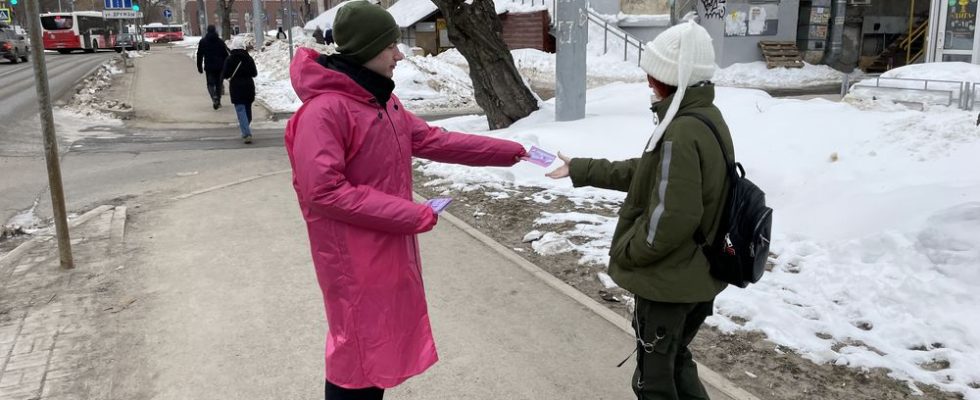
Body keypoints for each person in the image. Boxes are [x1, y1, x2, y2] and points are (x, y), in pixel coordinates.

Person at [283, 2, 528, 399]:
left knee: (378, 348)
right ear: (365, 50)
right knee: (356, 353)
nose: (399, 55)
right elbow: (323, 192)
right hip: (352, 257)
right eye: (390, 46)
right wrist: (412, 214)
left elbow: (432, 140)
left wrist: (510, 151)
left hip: (387, 245)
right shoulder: (324, 112)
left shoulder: (381, 100)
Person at [547, 20, 731, 400]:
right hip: (695, 276)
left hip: (669, 284)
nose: (648, 82)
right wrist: (582, 168)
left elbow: (674, 217)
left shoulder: (680, 132)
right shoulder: (704, 119)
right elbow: (646, 173)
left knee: (653, 382)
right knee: (676, 360)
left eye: (654, 75)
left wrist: (628, 252)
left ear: (671, 78)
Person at [222, 37, 258, 144]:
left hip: (236, 87)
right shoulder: (249, 58)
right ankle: (245, 127)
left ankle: (246, 133)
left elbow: (225, 74)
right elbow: (254, 73)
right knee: (247, 110)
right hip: (248, 87)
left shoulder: (229, 59)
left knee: (240, 110)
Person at [196, 25, 229, 110]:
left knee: (210, 83)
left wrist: (199, 66)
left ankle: (213, 96)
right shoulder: (220, 41)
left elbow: (199, 55)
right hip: (220, 67)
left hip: (209, 67)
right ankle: (218, 100)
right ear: (215, 31)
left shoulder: (203, 41)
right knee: (218, 84)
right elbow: (226, 55)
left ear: (207, 31)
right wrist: (227, 67)